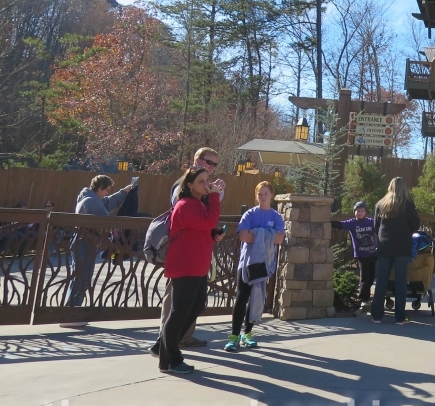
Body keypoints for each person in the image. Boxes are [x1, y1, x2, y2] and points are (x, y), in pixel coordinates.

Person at [152, 147, 226, 353]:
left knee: (194, 304)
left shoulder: (204, 188)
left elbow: (203, 222)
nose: (212, 168)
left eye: (214, 164)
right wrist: (212, 196)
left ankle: (174, 341)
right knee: (177, 304)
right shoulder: (184, 187)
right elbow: (190, 213)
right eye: (208, 162)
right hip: (184, 256)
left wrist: (213, 233)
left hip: (196, 253)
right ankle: (166, 344)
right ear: (196, 160)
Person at [61, 176, 136, 328]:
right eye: (107, 189)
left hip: (85, 243)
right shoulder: (90, 201)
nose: (108, 192)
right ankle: (70, 315)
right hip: (84, 243)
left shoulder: (92, 199)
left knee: (81, 276)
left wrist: (125, 191)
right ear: (101, 188)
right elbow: (105, 219)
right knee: (81, 277)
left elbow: (108, 202)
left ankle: (70, 313)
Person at [224, 182, 284, 351]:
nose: (262, 196)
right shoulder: (250, 214)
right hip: (247, 263)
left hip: (264, 263)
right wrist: (267, 234)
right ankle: (234, 336)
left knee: (256, 298)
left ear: (271, 195)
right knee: (242, 297)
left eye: (265, 193)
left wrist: (257, 232)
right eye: (260, 194)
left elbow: (279, 239)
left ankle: (247, 333)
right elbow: (244, 236)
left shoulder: (276, 217)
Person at [370, 178, 420, 325]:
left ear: (390, 187)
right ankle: (400, 317)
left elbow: (375, 226)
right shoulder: (408, 205)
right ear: (404, 188)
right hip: (402, 247)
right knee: (400, 283)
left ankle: (377, 316)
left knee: (381, 282)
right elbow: (415, 225)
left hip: (384, 246)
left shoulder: (380, 204)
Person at [332, 200, 377, 312]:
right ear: (354, 212)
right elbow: (340, 224)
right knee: (364, 277)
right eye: (357, 210)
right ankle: (362, 298)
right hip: (361, 254)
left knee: (371, 277)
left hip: (372, 253)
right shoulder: (352, 223)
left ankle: (367, 296)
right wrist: (327, 222)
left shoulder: (371, 222)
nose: (359, 212)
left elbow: (382, 227)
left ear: (365, 212)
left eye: (362, 210)